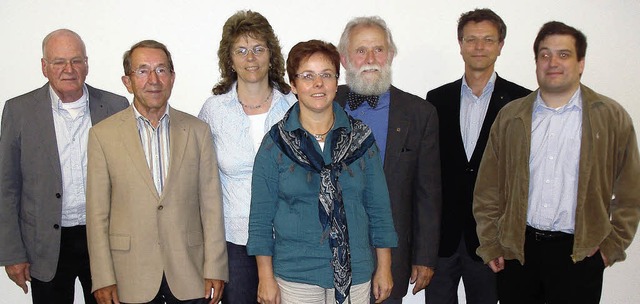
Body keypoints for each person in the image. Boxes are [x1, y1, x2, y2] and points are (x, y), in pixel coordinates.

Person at [473, 21, 640, 304]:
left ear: (580, 63)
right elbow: (488, 189)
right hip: (519, 254)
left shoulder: (610, 117)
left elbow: (630, 192)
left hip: (580, 257)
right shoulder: (511, 117)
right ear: (536, 61)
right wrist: (491, 243)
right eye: (545, 54)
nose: (553, 62)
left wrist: (610, 247)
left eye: (563, 54)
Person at [247, 40, 398, 304]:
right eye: (307, 76)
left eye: (326, 75)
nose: (318, 84)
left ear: (336, 82)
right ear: (293, 85)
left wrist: (384, 267)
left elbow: (379, 209)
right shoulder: (275, 144)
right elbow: (260, 219)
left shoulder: (361, 140)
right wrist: (265, 276)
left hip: (357, 275)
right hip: (295, 278)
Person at [86, 40, 228, 304]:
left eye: (161, 70)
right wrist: (103, 277)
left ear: (172, 78)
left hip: (189, 272)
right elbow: (97, 216)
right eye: (142, 71)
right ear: (127, 81)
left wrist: (215, 268)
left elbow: (211, 205)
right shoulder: (102, 135)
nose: (153, 79)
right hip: (129, 275)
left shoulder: (197, 131)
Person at [0, 29, 128, 304]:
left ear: (87, 64)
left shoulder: (116, 107)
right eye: (59, 62)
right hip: (45, 244)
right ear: (44, 67)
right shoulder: (19, 111)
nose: (69, 69)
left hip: (104, 240)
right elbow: (6, 187)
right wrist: (12, 254)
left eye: (76, 61)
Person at [425, 9, 530, 304]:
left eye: (487, 40)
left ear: (500, 45)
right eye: (471, 39)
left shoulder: (522, 101)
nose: (479, 47)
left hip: (492, 239)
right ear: (460, 44)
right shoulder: (436, 99)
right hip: (442, 238)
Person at [335, 16, 441, 303]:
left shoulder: (420, 113)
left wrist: (425, 257)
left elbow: (428, 193)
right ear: (344, 59)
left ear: (391, 55)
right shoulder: (325, 103)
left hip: (391, 255)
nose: (370, 59)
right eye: (360, 50)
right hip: (329, 254)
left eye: (379, 50)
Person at [198, 10, 296, 304]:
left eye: (258, 49)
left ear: (271, 55)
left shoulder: (292, 106)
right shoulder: (213, 111)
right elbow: (202, 182)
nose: (250, 58)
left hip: (288, 238)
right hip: (234, 241)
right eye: (241, 50)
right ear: (229, 59)